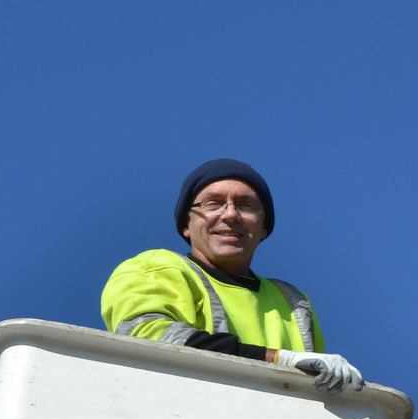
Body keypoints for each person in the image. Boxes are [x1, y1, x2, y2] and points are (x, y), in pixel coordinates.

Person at [101, 159, 364, 393]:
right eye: (213, 203)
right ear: (186, 225)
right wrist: (278, 359)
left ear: (263, 228)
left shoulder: (295, 302)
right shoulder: (155, 267)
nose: (230, 214)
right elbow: (149, 339)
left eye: (246, 205)